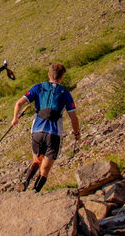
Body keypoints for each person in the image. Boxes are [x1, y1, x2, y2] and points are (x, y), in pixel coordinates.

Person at [10, 62, 79, 192]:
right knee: (45, 168)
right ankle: (35, 191)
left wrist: (15, 118)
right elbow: (73, 118)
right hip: (54, 133)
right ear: (61, 77)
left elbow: (19, 103)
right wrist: (77, 133)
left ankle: (25, 182)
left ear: (49, 75)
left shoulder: (39, 87)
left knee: (36, 161)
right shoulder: (65, 93)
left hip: (37, 131)